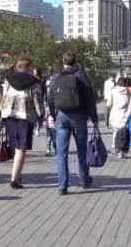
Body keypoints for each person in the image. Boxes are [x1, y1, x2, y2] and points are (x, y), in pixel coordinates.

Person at [47, 51, 98, 195]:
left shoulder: (57, 76)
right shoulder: (81, 75)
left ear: (63, 61)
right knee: (82, 149)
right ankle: (84, 179)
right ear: (75, 62)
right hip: (79, 116)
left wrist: (51, 114)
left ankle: (62, 185)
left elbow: (50, 97)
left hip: (61, 116)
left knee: (62, 153)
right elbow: (89, 97)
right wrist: (93, 117)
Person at [0, 58, 42, 189]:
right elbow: (37, 100)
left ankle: (16, 173)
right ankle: (14, 179)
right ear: (28, 68)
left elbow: (4, 96)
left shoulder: (8, 80)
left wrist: (2, 112)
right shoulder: (33, 82)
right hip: (25, 116)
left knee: (15, 146)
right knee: (21, 149)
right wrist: (40, 115)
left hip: (9, 115)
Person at [107, 77, 130, 156]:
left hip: (115, 113)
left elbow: (109, 104)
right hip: (124, 113)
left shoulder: (113, 91)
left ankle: (114, 146)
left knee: (115, 131)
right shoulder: (128, 92)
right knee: (123, 133)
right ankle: (122, 151)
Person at [44, 74, 57, 156]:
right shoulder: (51, 92)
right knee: (51, 132)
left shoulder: (50, 93)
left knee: (51, 133)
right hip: (50, 115)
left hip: (50, 115)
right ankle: (51, 148)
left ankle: (52, 149)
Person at [32, 67, 45, 136]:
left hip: (40, 98)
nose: (34, 73)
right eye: (34, 72)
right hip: (34, 98)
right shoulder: (31, 79)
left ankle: (38, 127)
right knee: (37, 113)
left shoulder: (42, 79)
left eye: (36, 72)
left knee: (41, 114)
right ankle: (36, 129)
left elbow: (44, 89)